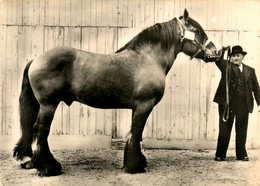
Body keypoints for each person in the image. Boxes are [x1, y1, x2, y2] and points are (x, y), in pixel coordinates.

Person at [213, 45, 260, 161]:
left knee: (242, 129)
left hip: (244, 104)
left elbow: (256, 88)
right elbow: (217, 59)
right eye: (233, 56)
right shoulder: (226, 66)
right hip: (227, 104)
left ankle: (241, 154)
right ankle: (220, 154)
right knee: (224, 129)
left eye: (238, 56)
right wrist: (223, 50)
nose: (235, 58)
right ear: (230, 57)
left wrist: (259, 103)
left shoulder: (250, 70)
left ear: (243, 57)